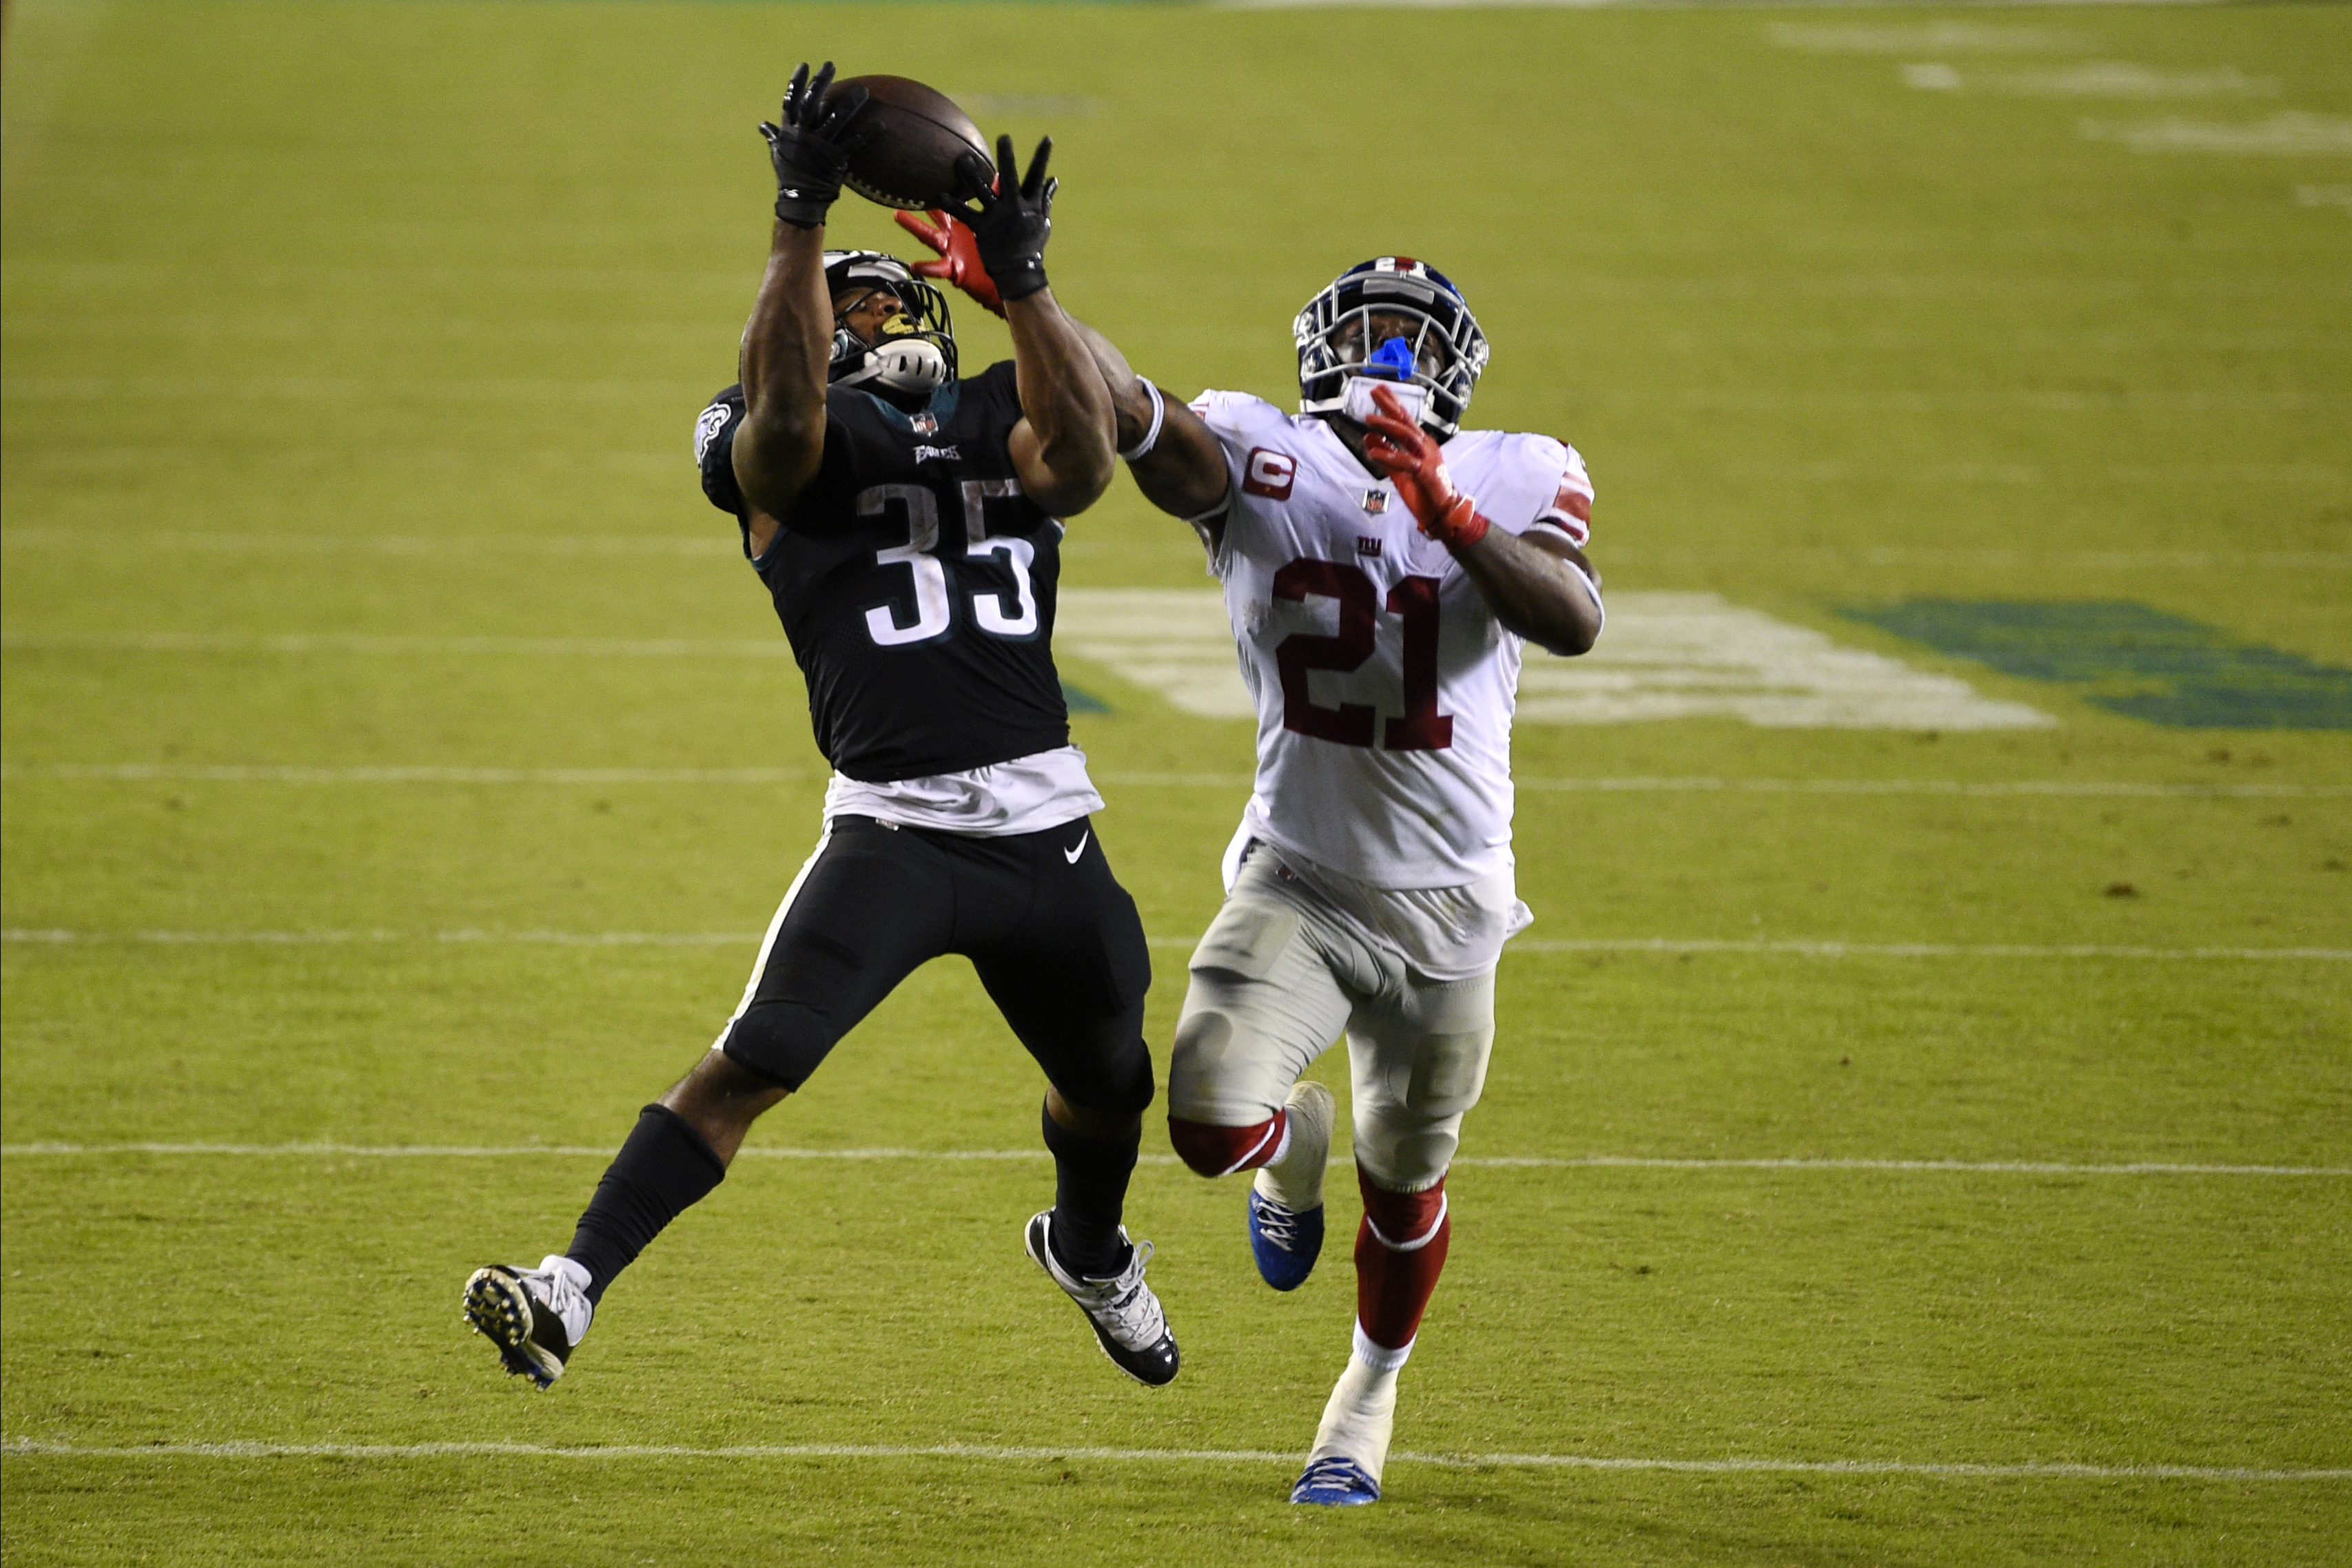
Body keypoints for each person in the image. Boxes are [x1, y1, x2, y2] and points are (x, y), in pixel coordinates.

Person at [462, 63, 1178, 1396]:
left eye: (891, 293)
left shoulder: (993, 413)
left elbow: (1089, 457)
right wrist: (797, 214)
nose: (876, 310)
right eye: (846, 301)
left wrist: (1018, 277)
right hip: (898, 828)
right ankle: (569, 1284)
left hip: (1046, 825)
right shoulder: (784, 443)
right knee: (761, 1054)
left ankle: (1088, 1248)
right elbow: (783, 422)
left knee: (1115, 1081)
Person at [908, 227, 1600, 1501]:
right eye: (1361, 329)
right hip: (1297, 877)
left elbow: (1573, 619)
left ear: (1458, 367)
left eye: (1410, 335)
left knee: (1405, 1188)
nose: (1383, 354)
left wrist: (1446, 510)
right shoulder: (1259, 448)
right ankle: (1294, 1151)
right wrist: (1025, 292)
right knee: (1211, 1121)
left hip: (1452, 906)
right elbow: (1125, 417)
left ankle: (1360, 1407)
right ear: (1314, 345)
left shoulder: (1518, 471)